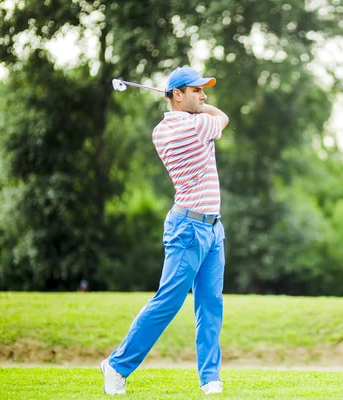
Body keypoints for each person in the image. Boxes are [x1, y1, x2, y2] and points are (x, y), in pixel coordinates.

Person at [100, 66, 229, 396]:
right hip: (188, 229)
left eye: (204, 90)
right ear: (176, 95)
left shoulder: (167, 126)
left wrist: (188, 102)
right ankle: (117, 365)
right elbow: (223, 117)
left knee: (210, 304)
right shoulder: (193, 127)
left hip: (213, 228)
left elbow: (207, 111)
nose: (204, 96)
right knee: (168, 302)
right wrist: (198, 107)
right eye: (196, 90)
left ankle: (209, 378)